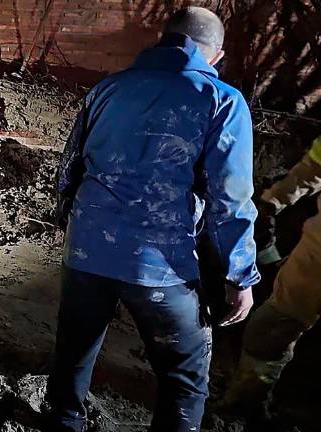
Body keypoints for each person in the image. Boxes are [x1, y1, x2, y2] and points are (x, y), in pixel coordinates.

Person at [47, 7, 259, 432]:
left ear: (162, 40)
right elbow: (230, 199)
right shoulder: (221, 101)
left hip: (87, 251)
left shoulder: (109, 88)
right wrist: (241, 276)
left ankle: (63, 423)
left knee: (72, 356)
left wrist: (70, 227)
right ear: (213, 56)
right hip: (160, 264)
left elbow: (68, 170)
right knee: (184, 379)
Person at [223, 135, 321, 417]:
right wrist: (271, 202)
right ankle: (245, 403)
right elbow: (315, 166)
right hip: (315, 257)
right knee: (271, 329)